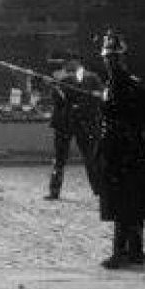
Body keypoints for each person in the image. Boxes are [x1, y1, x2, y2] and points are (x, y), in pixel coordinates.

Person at [96, 31, 145, 269]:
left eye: (113, 59)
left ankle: (122, 252)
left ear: (120, 59)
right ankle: (135, 251)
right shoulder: (119, 86)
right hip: (129, 151)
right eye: (108, 59)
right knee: (132, 202)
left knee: (123, 202)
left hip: (124, 152)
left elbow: (140, 120)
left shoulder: (125, 86)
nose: (109, 62)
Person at [45, 53, 104, 201]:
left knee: (91, 157)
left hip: (85, 123)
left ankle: (99, 191)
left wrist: (94, 96)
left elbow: (101, 97)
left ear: (76, 62)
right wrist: (55, 88)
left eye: (67, 62)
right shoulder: (60, 79)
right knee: (59, 159)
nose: (64, 65)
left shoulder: (92, 78)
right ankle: (54, 191)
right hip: (64, 123)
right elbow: (58, 102)